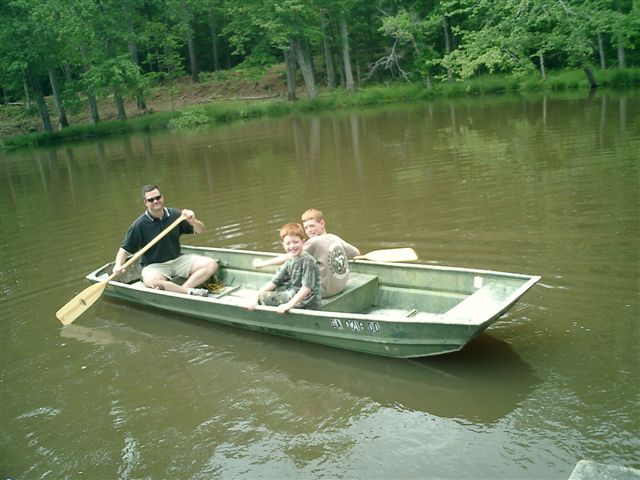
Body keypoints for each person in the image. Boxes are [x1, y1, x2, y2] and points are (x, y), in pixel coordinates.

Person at [113, 184, 218, 297]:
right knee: (152, 282)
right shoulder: (139, 225)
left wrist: (194, 221)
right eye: (151, 199)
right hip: (155, 266)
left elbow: (201, 230)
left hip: (177, 260)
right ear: (146, 202)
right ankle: (189, 292)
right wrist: (118, 265)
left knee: (211, 264)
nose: (155, 201)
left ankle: (183, 291)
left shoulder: (176, 215)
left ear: (162, 197)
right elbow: (124, 250)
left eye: (158, 197)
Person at [253, 209, 360, 298]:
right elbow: (355, 253)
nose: (309, 230)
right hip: (342, 285)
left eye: (312, 226)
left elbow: (289, 256)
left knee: (289, 267)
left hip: (324, 292)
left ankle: (272, 291)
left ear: (322, 223)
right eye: (306, 228)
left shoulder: (314, 241)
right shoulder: (334, 237)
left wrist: (263, 263)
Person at [248, 223, 320, 313]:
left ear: (302, 241)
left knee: (263, 297)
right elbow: (275, 281)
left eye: (295, 242)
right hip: (293, 293)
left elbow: (306, 288)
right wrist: (256, 295)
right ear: (283, 245)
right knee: (268, 290)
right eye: (288, 243)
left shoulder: (308, 261)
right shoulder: (291, 259)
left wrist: (289, 305)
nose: (292, 246)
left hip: (306, 301)